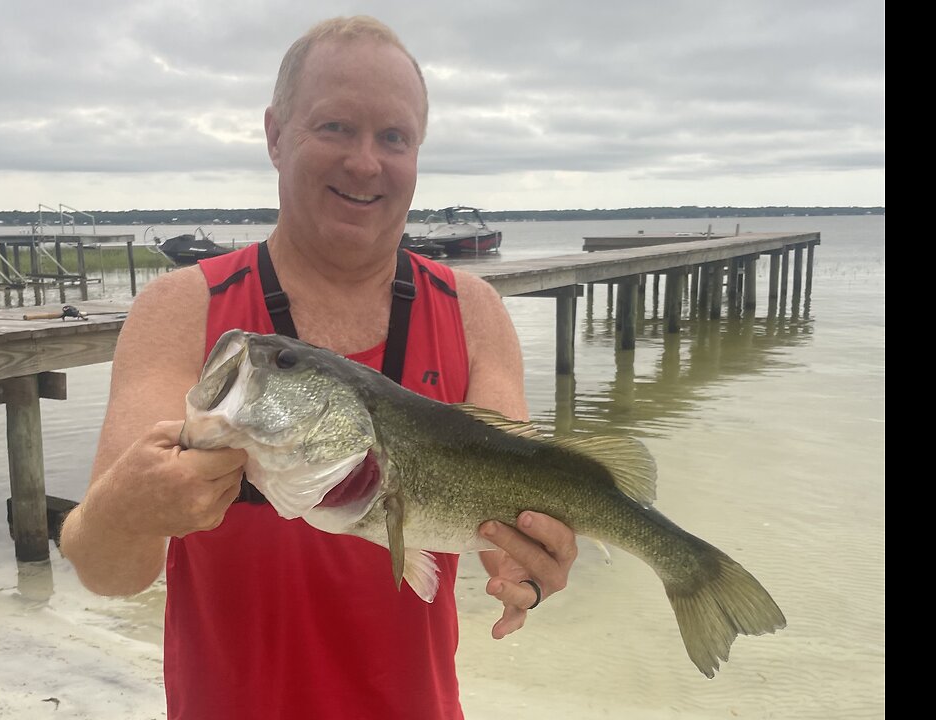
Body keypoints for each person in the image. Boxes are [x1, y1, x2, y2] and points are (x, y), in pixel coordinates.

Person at [59, 15, 578, 720]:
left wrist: (530, 566)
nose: (365, 163)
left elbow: (505, 519)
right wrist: (123, 510)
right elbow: (108, 573)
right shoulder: (183, 310)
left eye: (393, 137)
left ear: (417, 153)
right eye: (335, 127)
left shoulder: (473, 312)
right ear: (275, 136)